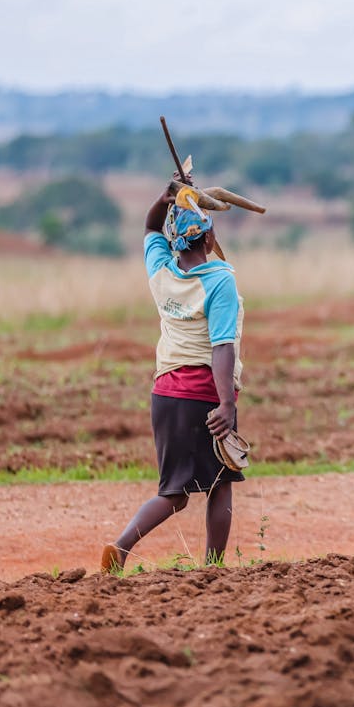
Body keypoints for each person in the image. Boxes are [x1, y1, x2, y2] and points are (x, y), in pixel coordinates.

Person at [101, 180, 245, 572]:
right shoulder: (220, 281)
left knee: (174, 492)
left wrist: (164, 200)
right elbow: (222, 347)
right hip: (204, 394)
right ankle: (213, 568)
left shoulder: (161, 270)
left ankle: (122, 546)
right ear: (210, 236)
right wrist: (227, 404)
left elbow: (150, 229)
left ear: (176, 241)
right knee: (220, 482)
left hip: (165, 393)